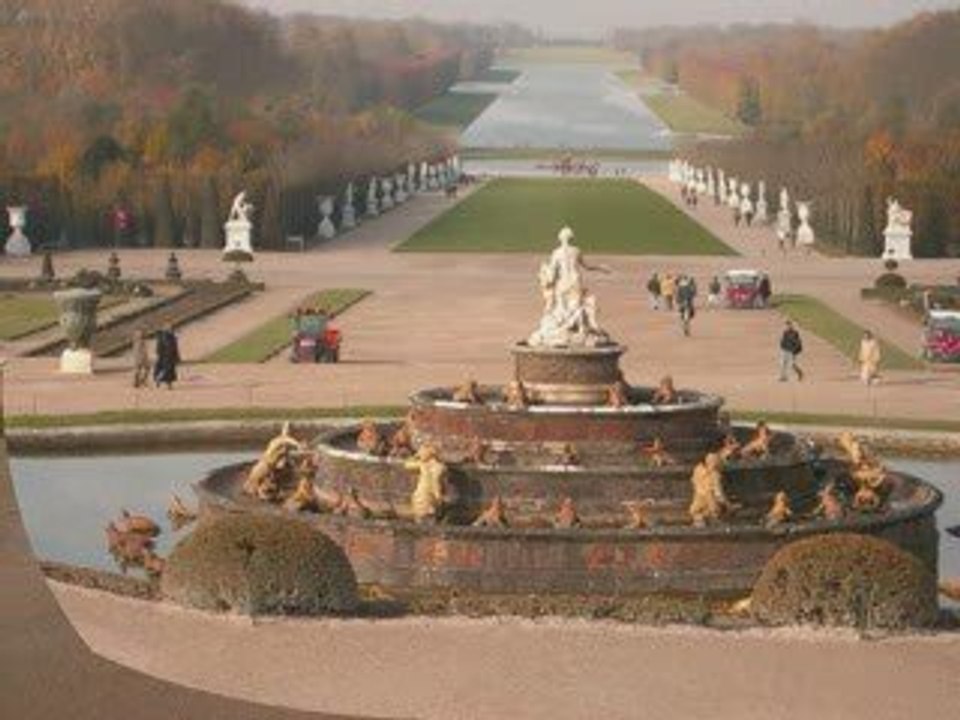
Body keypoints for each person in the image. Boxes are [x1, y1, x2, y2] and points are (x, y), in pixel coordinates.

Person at [154, 324, 181, 390]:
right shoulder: (162, 337)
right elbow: (159, 348)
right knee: (166, 370)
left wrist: (177, 356)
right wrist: (160, 355)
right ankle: (160, 380)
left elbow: (175, 347)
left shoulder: (173, 337)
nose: (171, 329)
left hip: (171, 356)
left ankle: (167, 384)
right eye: (169, 328)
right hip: (165, 356)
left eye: (171, 328)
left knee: (170, 371)